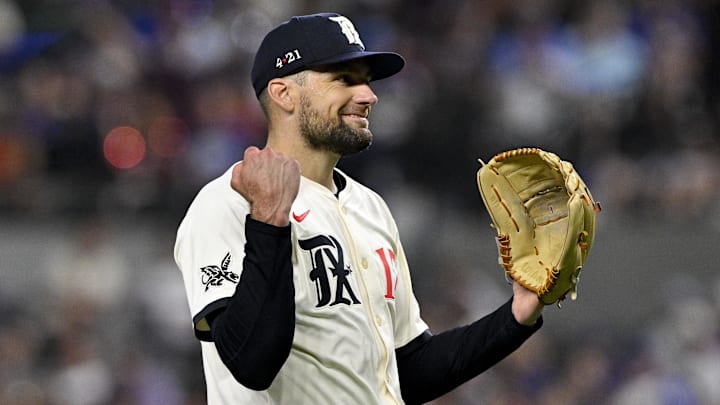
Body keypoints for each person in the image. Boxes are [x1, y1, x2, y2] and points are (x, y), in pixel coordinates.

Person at [174, 12, 544, 404]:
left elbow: (407, 369)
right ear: (284, 93)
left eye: (366, 80)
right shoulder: (228, 202)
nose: (368, 95)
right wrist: (269, 223)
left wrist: (514, 317)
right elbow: (251, 364)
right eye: (344, 79)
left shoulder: (371, 207)